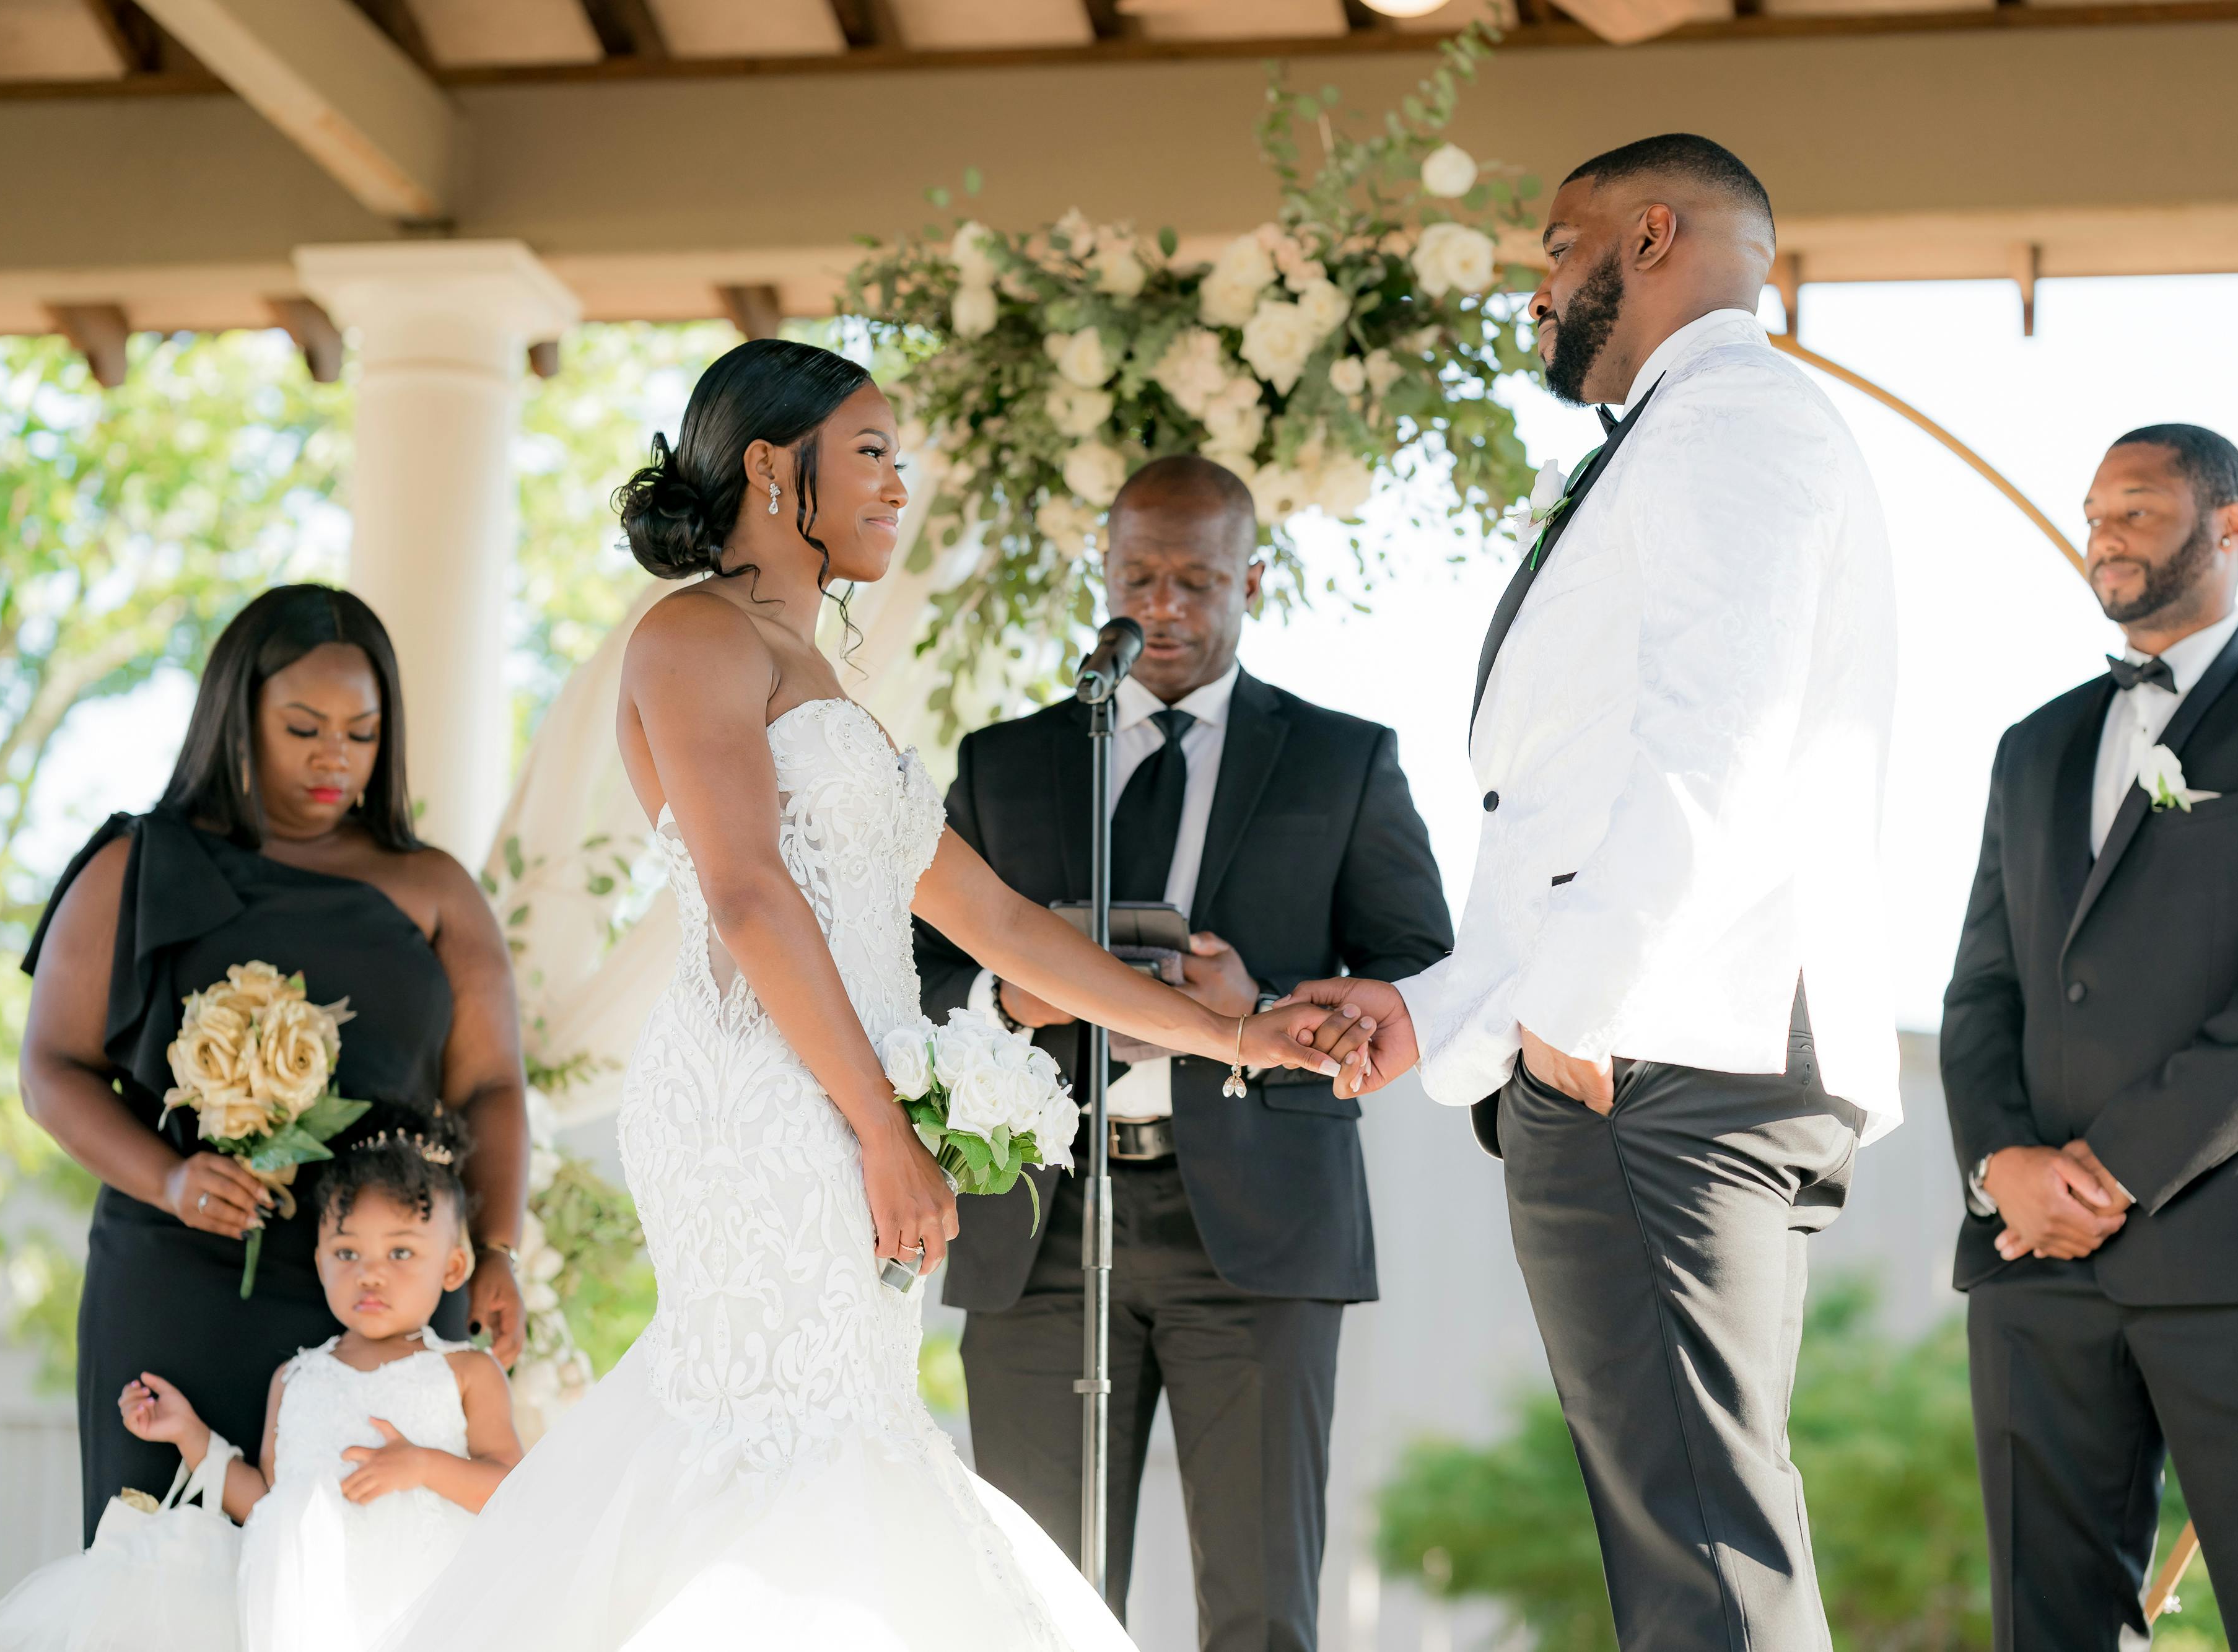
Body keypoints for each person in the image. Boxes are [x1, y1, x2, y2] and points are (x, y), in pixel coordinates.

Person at [376, 338, 1354, 1652]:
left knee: (843, 1434)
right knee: (775, 1440)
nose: (902, 483)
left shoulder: (818, 670)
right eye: (875, 452)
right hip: (759, 1105)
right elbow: (745, 894)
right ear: (777, 467)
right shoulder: (690, 637)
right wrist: (884, 1127)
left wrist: (1233, 1033)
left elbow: (998, 920)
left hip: (835, 1102)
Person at [1287, 134, 1902, 1651]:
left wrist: (1571, 1015)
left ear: (1651, 232)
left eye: (1556, 251)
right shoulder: (1696, 429)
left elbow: (1717, 752)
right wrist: (1442, 1008)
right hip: (1668, 1040)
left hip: (1659, 1055)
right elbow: (1568, 807)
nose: (1540, 286)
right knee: (1694, 1521)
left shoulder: (1732, 424)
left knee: (1697, 1540)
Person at [914, 455, 1453, 1650]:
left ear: (1252, 578)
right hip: (1040, 1224)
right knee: (1034, 1603)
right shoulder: (1003, 765)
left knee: (1261, 1607)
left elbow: (1425, 977)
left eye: (1198, 580)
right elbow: (912, 976)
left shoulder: (1344, 760)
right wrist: (1013, 996)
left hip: (1258, 1233)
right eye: (1141, 576)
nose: (1164, 606)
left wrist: (1256, 999)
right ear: (1101, 574)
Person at [1941, 426, 2238, 1648]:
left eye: (2134, 507)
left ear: (2226, 527)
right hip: (2033, 1267)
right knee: (2048, 1626)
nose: (2102, 533)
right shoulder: (2030, 746)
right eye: (2092, 511)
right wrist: (2001, 1170)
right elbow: (1979, 991)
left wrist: (2109, 1172)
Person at [18, 583, 530, 1545]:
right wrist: (170, 1177)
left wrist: (496, 1245)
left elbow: (491, 1084)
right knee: (168, 1557)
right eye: (303, 726)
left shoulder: (435, 887)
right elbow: (51, 1067)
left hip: (392, 1281)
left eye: (362, 732)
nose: (334, 757)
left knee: (393, 1558)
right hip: (186, 1268)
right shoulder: (133, 865)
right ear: (238, 716)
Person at [0, 1119, 522, 1652]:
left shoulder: (467, 1371)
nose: (371, 1274)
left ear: (453, 1267)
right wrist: (190, 1434)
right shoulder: (295, 1378)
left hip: (425, 1610)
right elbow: (267, 1501)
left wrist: (424, 1465)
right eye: (347, 1252)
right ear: (320, 1261)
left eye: (400, 1253)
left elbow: (514, 1489)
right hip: (306, 1617)